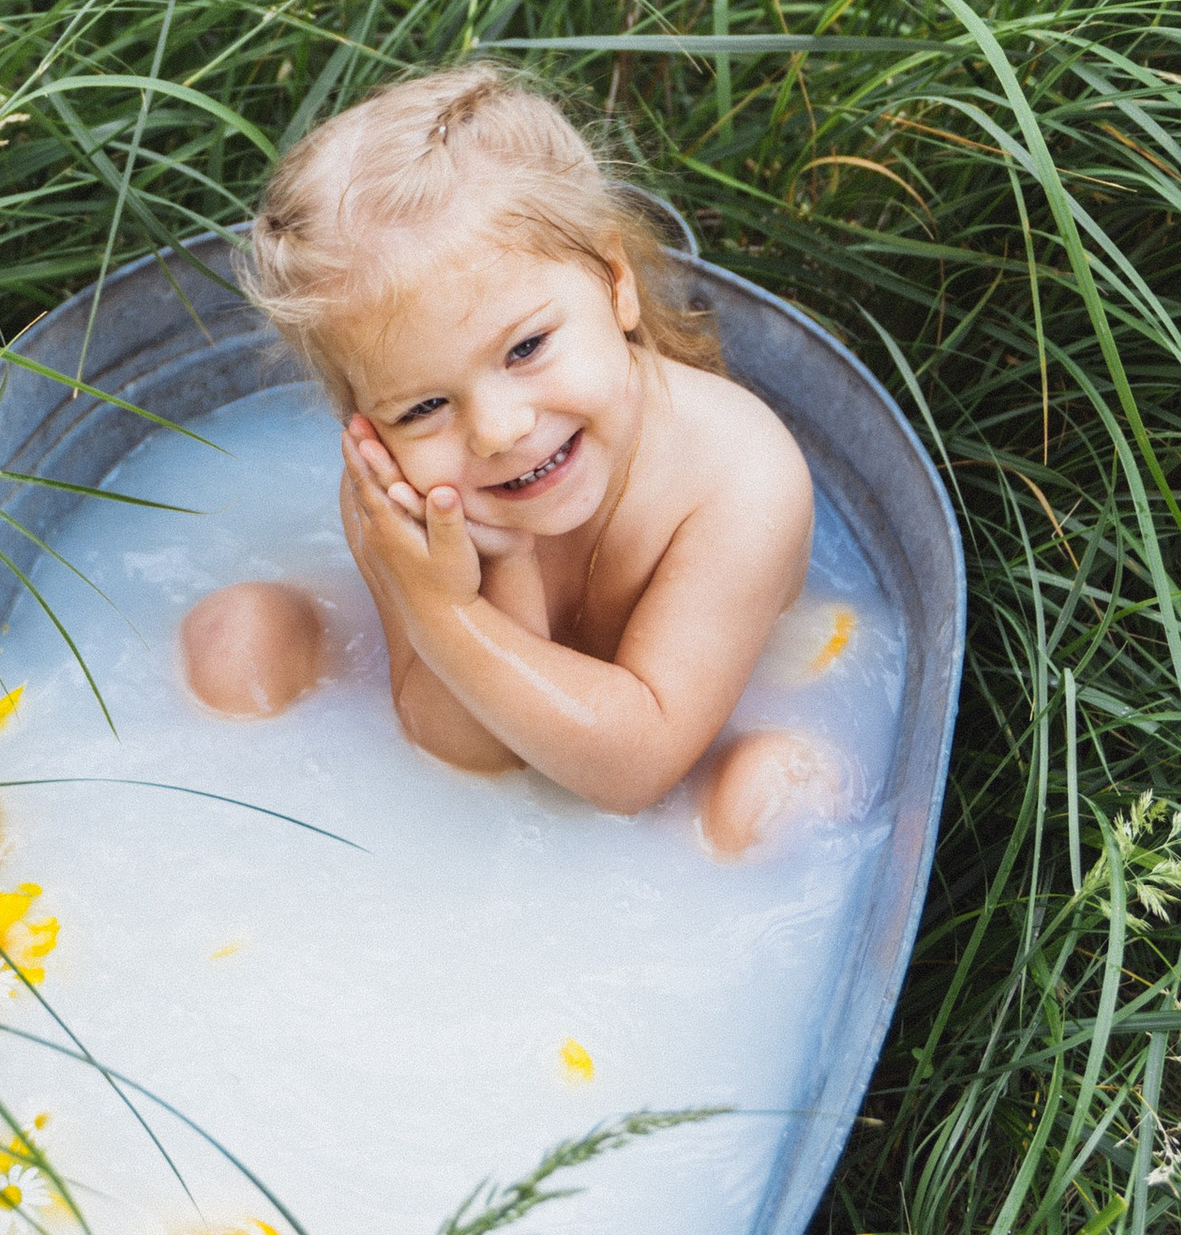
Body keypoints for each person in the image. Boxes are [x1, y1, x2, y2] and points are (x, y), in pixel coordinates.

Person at [223, 64, 817, 839]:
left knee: (769, 791)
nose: (498, 430)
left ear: (614, 284)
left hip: (686, 743)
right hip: (521, 735)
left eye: (527, 347)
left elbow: (637, 769)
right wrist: (492, 576)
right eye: (424, 406)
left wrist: (446, 614)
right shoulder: (401, 493)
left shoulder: (740, 477)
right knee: (238, 636)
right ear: (363, 421)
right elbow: (466, 752)